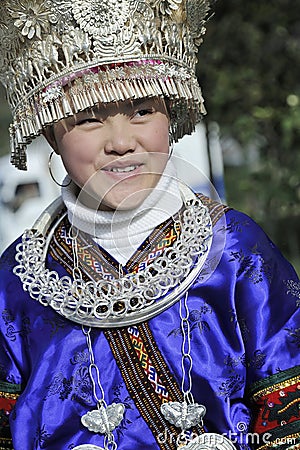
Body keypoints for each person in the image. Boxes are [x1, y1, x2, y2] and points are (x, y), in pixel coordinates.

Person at [0, 1, 299, 449]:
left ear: (170, 117)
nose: (121, 143)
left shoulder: (237, 249)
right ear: (50, 136)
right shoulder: (19, 281)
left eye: (142, 111)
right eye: (88, 118)